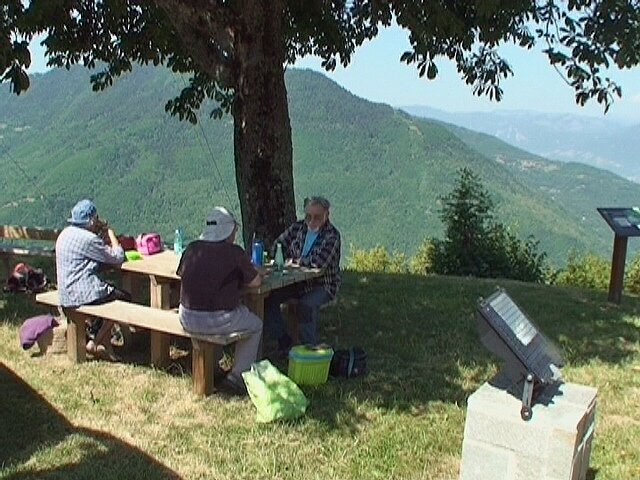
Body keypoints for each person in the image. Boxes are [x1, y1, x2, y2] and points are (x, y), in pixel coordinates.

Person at [177, 206, 263, 395]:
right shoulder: (234, 253)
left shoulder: (192, 249)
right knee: (255, 324)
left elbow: (181, 274)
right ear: (229, 232)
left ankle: (213, 367)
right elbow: (255, 282)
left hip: (186, 317)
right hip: (217, 320)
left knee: (212, 311)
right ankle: (239, 375)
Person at [55, 199, 130, 359]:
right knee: (124, 298)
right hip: (81, 294)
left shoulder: (65, 234)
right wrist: (110, 233)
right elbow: (118, 257)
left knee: (110, 293)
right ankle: (96, 341)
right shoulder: (88, 239)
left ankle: (104, 344)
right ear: (91, 220)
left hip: (65, 293)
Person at [265, 196, 341, 354]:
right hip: (296, 283)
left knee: (306, 305)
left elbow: (319, 263)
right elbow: (278, 245)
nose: (312, 221)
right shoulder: (298, 228)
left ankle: (309, 349)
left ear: (326, 215)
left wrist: (293, 260)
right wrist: (285, 257)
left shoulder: (332, 236)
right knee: (268, 298)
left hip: (322, 285)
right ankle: (283, 340)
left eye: (317, 217)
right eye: (308, 216)